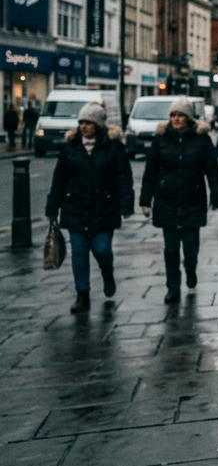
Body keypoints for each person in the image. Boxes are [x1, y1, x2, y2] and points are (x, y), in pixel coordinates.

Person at [44, 101, 134, 313]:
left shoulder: (114, 147)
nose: (83, 126)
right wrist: (52, 208)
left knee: (102, 249)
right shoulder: (70, 147)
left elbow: (124, 177)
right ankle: (82, 295)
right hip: (75, 206)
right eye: (81, 122)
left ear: (99, 125)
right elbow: (59, 179)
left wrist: (126, 205)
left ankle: (107, 273)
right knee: (79, 252)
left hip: (104, 206)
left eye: (89, 122)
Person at [139, 97, 218, 304]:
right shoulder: (161, 139)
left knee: (190, 247)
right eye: (173, 115)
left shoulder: (201, 139)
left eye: (180, 115)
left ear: (188, 118)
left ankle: (191, 268)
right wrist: (145, 199)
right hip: (166, 199)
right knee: (171, 249)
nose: (176, 119)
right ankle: (173, 287)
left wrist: (216, 192)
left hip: (193, 198)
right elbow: (150, 171)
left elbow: (212, 169)